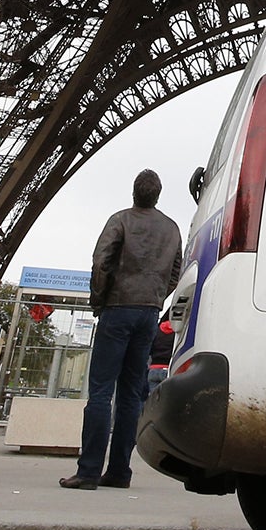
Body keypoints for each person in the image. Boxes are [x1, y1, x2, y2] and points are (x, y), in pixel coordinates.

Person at [62, 169, 183, 491]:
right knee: (131, 396)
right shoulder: (171, 228)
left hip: (117, 308)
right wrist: (157, 296)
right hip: (148, 313)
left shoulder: (120, 220)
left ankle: (88, 471)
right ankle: (119, 471)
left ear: (134, 192)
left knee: (101, 392)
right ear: (158, 194)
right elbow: (176, 271)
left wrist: (100, 300)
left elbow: (101, 262)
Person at [147, 315, 175, 395]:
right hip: (167, 369)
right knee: (167, 401)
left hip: (153, 369)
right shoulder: (176, 333)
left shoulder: (157, 331)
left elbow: (149, 349)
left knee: (154, 400)